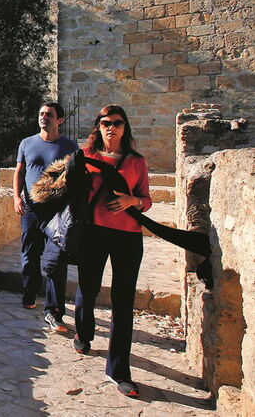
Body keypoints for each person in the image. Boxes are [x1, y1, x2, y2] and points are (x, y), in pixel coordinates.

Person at [73, 104, 152, 398]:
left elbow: (146, 199)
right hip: (93, 232)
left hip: (128, 236)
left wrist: (132, 202)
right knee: (88, 287)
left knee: (122, 302)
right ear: (99, 127)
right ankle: (84, 331)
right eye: (106, 122)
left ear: (124, 127)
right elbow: (70, 190)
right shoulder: (86, 158)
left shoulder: (137, 162)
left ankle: (119, 369)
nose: (111, 127)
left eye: (117, 123)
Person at [13, 102, 78, 332]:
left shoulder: (70, 146)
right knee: (29, 254)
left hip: (56, 211)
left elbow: (75, 177)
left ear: (59, 120)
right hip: (31, 209)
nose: (43, 117)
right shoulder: (27, 143)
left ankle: (53, 311)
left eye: (49, 115)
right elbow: (20, 172)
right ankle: (30, 291)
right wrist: (17, 198)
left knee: (55, 261)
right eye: (41, 113)